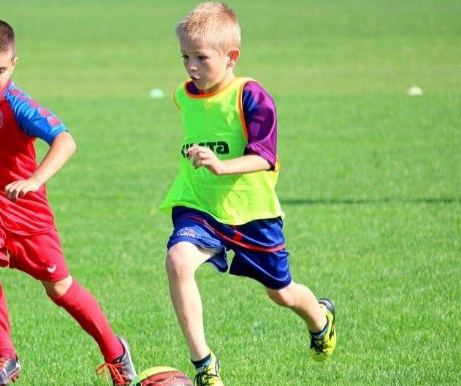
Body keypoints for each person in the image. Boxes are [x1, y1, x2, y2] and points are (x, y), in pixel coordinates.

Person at [0, 19, 135, 386]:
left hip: (28, 217)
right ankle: (5, 355)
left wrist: (35, 179)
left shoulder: (19, 105)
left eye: (0, 71)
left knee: (61, 290)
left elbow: (65, 140)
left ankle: (115, 352)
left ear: (14, 65)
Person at [159, 3, 337, 385]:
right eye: (185, 56)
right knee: (178, 261)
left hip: (252, 213)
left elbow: (264, 156)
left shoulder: (252, 97)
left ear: (231, 57)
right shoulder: (183, 94)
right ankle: (204, 364)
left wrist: (222, 164)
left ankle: (321, 319)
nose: (191, 67)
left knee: (282, 294)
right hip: (200, 205)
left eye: (201, 58)